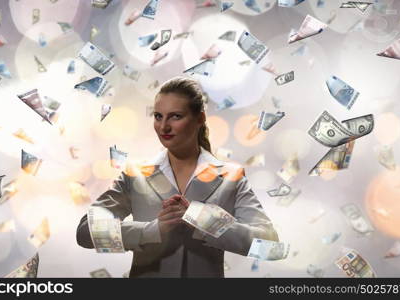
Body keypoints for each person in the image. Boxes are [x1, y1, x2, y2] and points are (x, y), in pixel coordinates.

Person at [76, 77, 279, 278]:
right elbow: (85, 233)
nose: (163, 127)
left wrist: (204, 220)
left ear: (200, 119)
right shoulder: (135, 174)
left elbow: (269, 246)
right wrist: (151, 230)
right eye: (158, 116)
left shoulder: (230, 177)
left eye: (175, 116)